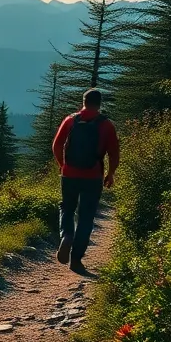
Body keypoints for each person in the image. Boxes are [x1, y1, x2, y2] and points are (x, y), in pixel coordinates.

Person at [51, 88, 119, 272]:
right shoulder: (107, 125)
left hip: (69, 174)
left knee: (66, 207)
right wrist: (110, 174)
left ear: (83, 101)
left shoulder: (70, 120)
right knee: (86, 217)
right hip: (93, 176)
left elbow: (57, 145)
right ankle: (76, 259)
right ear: (99, 104)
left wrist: (62, 164)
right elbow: (114, 153)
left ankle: (66, 236)